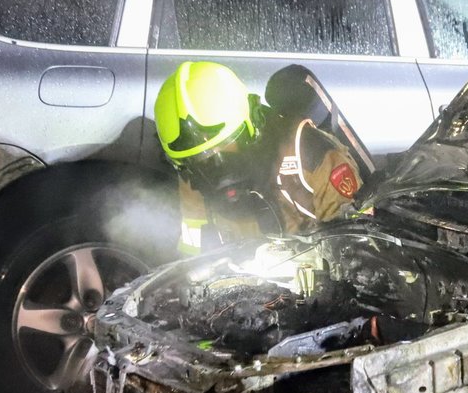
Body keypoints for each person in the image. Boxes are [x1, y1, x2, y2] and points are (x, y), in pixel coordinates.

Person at [153, 61, 369, 253]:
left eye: (224, 147)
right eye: (201, 160)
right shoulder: (193, 174)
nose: (216, 168)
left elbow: (356, 246)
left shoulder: (312, 154)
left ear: (251, 125)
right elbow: (192, 250)